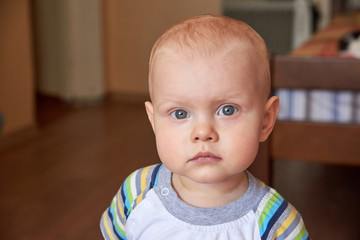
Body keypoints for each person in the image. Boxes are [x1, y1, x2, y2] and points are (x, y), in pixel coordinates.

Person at [100, 14, 309, 240]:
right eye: (180, 113)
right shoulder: (136, 192)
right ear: (154, 122)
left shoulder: (277, 224)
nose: (203, 133)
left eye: (227, 110)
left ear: (266, 120)